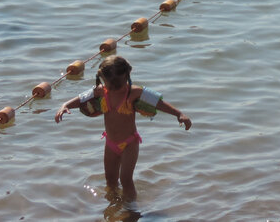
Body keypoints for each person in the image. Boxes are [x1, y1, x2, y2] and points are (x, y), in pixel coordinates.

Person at [55, 55, 192, 202]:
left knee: (126, 180)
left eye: (117, 85)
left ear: (126, 77)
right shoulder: (101, 91)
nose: (113, 89)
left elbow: (158, 102)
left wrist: (179, 114)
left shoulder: (135, 92)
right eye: (109, 85)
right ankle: (113, 206)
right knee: (110, 181)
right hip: (110, 143)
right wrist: (65, 105)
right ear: (103, 80)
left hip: (129, 143)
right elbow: (82, 98)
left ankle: (131, 209)